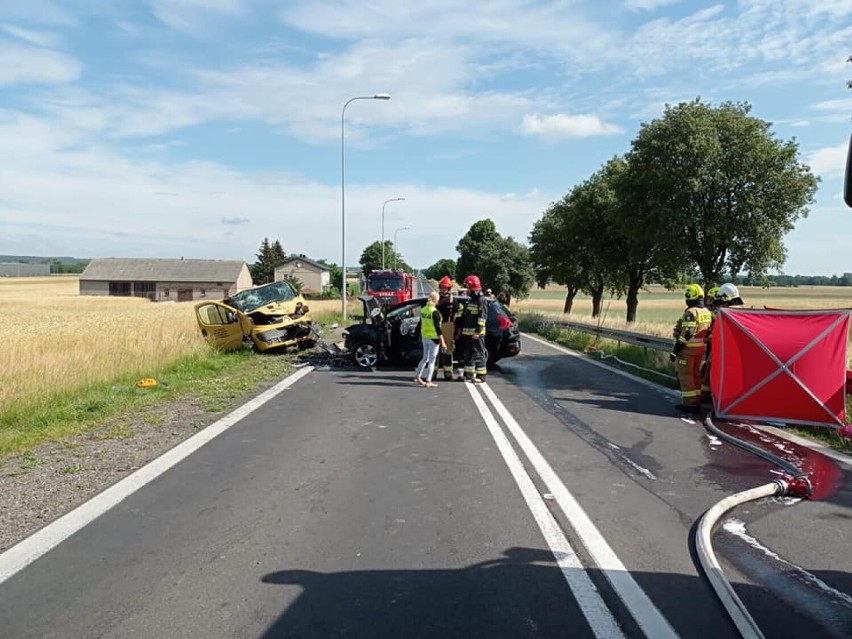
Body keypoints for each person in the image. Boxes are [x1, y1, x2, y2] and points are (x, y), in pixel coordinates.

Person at [670, 283, 712, 414]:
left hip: (687, 351)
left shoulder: (691, 312)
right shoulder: (706, 312)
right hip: (700, 350)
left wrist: (676, 350)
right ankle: (697, 399)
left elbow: (687, 333)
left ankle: (690, 404)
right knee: (695, 375)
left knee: (686, 375)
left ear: (689, 296)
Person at [700, 283, 745, 404]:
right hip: (740, 355)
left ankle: (707, 399)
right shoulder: (744, 313)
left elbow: (718, 334)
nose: (720, 305)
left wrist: (707, 337)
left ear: (726, 299)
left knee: (708, 370)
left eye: (721, 302)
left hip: (724, 352)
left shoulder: (726, 315)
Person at [456, 274, 489, 383]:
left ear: (472, 286)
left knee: (479, 354)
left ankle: (481, 376)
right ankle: (468, 374)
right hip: (468, 333)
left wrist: (478, 331)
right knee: (468, 354)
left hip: (477, 333)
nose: (467, 289)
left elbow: (482, 317)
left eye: (468, 286)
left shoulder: (481, 299)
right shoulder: (471, 299)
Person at [414, 292, 446, 388]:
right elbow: (438, 329)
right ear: (436, 300)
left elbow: (420, 324)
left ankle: (418, 377)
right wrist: (443, 342)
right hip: (434, 339)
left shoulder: (423, 310)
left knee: (424, 358)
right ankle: (428, 381)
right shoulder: (435, 312)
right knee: (432, 361)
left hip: (425, 337)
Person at [699, 285, 720, 403]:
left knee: (708, 370)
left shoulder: (716, 313)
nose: (709, 302)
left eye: (711, 299)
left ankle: (706, 396)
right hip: (711, 346)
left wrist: (707, 337)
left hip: (715, 347)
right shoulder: (713, 312)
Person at [436, 276, 459, 381]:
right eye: (442, 287)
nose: (443, 289)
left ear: (449, 289)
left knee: (448, 350)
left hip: (448, 325)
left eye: (445, 287)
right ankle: (433, 371)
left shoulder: (452, 299)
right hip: (436, 325)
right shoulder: (435, 298)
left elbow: (456, 312)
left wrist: (454, 325)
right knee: (435, 350)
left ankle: (448, 372)